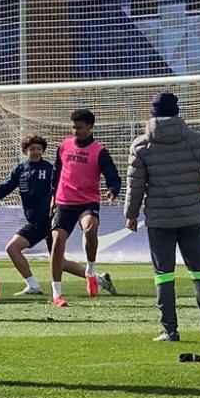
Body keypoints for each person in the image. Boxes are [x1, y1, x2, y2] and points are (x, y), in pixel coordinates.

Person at [124, 90, 200, 342]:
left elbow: (135, 185)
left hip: (159, 221)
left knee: (164, 275)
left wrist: (131, 215)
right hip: (191, 217)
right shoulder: (195, 140)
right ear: (178, 111)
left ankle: (170, 331)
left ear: (152, 114)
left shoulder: (141, 145)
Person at [0, 134, 107, 299]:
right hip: (35, 221)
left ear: (43, 150)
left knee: (13, 248)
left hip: (49, 221)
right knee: (59, 262)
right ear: (25, 151)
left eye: (39, 149)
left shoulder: (50, 169)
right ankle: (99, 279)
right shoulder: (20, 170)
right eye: (32, 149)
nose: (35, 152)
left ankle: (33, 285)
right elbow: (4, 188)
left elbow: (60, 187)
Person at [50, 107, 122, 308]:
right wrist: (52, 196)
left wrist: (113, 190)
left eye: (79, 128)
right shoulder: (64, 146)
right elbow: (56, 173)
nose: (75, 131)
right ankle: (57, 294)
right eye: (72, 127)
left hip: (87, 202)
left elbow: (114, 177)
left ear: (90, 127)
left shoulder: (99, 151)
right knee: (57, 241)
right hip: (64, 202)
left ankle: (90, 270)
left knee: (90, 229)